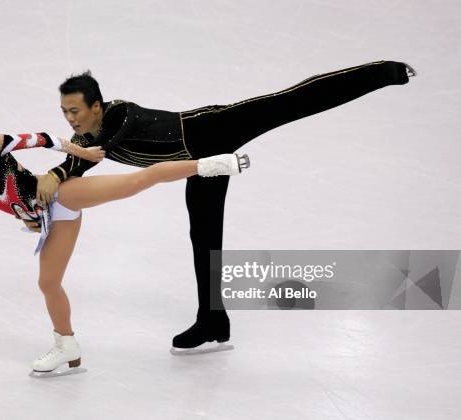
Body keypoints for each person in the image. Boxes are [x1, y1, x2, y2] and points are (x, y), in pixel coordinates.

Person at [34, 60, 417, 352]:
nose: (70, 119)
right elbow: (77, 167)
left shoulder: (116, 115)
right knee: (203, 236)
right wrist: (45, 200)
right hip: (200, 167)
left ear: (96, 106)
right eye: (65, 112)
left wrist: (58, 170)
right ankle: (213, 319)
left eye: (75, 111)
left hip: (213, 127)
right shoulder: (84, 135)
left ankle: (385, 72)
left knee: (290, 101)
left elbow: (92, 155)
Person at [0, 107, 250, 374]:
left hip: (59, 198)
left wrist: (85, 153)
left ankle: (212, 165)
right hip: (48, 223)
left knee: (136, 182)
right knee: (48, 282)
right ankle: (66, 345)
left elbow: (43, 140)